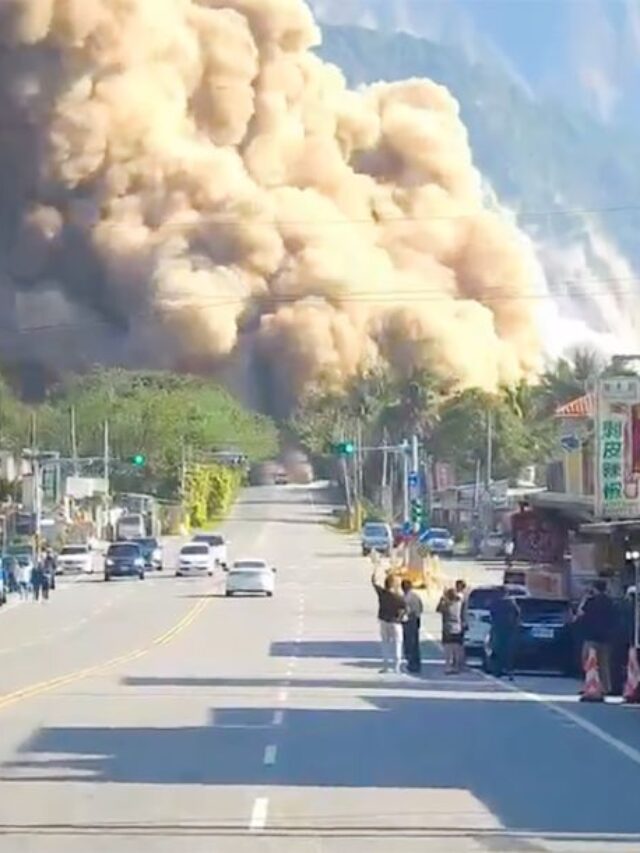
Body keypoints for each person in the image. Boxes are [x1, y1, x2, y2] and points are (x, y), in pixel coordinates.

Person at [574, 578, 617, 695]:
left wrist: (584, 599)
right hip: (606, 637)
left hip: (591, 637)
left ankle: (589, 685)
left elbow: (579, 614)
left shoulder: (590, 601)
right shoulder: (610, 602)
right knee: (604, 664)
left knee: (588, 662)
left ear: (594, 588)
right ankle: (606, 688)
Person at [371, 571, 407, 674]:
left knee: (385, 644)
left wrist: (374, 574)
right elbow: (405, 608)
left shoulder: (382, 593)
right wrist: (401, 617)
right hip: (395, 622)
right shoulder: (399, 597)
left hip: (383, 621)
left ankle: (386, 666)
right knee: (397, 643)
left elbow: (374, 584)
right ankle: (397, 666)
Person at [489, 586, 521, 680]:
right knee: (506, 651)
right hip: (506, 629)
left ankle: (499, 671)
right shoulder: (510, 602)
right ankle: (507, 671)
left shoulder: (500, 603)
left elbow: (492, 614)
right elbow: (517, 614)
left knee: (499, 650)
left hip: (501, 629)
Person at [437, 587, 464, 674]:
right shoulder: (459, 604)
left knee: (448, 649)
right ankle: (456, 667)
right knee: (456, 648)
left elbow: (438, 609)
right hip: (457, 627)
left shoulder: (446, 605)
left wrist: (442, 598)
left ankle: (448, 667)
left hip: (448, 628)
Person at [401, 579, 423, 674]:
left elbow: (404, 611)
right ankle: (417, 662)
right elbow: (421, 608)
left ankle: (411, 663)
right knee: (415, 643)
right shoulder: (416, 597)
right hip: (416, 620)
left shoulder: (405, 598)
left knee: (409, 643)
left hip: (409, 621)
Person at [455, 579, 468, 671]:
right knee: (459, 644)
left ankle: (459, 662)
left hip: (458, 622)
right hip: (459, 622)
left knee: (458, 644)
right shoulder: (463, 597)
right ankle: (459, 662)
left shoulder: (461, 597)